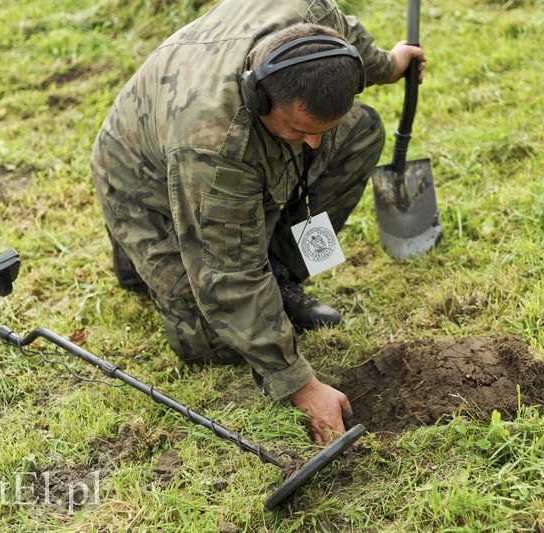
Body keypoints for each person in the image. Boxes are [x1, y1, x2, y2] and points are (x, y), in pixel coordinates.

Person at [91, 0, 426, 444]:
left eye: (322, 128)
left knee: (362, 129)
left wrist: (392, 62)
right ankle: (144, 258)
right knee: (211, 342)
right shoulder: (213, 144)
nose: (314, 143)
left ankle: (280, 273)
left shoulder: (315, 16)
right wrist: (301, 385)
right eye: (299, 128)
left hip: (222, 158)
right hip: (143, 184)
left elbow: (354, 50)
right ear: (259, 97)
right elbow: (228, 274)